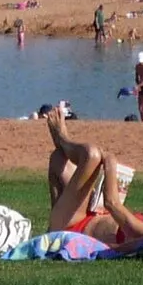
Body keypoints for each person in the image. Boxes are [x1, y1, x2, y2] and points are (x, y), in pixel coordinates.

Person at [39, 102, 116, 241]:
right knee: (59, 158)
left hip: (74, 226)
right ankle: (54, 230)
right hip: (91, 216)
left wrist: (110, 163)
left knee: (91, 154)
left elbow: (112, 203)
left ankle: (62, 139)